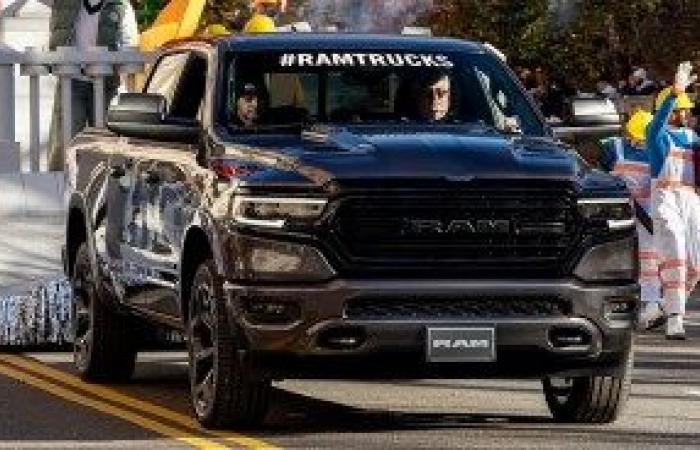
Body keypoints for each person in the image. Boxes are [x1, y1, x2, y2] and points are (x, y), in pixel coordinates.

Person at [48, 0, 139, 171]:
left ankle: (103, 187)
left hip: (106, 83)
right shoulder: (65, 4)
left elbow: (130, 46)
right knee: (66, 139)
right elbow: (57, 32)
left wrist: (123, 80)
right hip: (72, 80)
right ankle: (59, 185)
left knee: (106, 141)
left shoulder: (121, 6)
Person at [646, 61, 700, 340]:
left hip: (691, 199)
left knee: (695, 263)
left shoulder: (693, 139)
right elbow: (656, 124)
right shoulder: (658, 136)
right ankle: (675, 318)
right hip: (667, 197)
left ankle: (666, 308)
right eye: (682, 110)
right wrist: (675, 91)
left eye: (687, 109)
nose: (687, 114)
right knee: (676, 253)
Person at [600, 110, 661, 329]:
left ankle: (653, 305)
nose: (638, 142)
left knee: (649, 262)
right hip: (619, 214)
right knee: (615, 261)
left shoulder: (657, 151)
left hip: (648, 216)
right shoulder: (612, 148)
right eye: (636, 137)